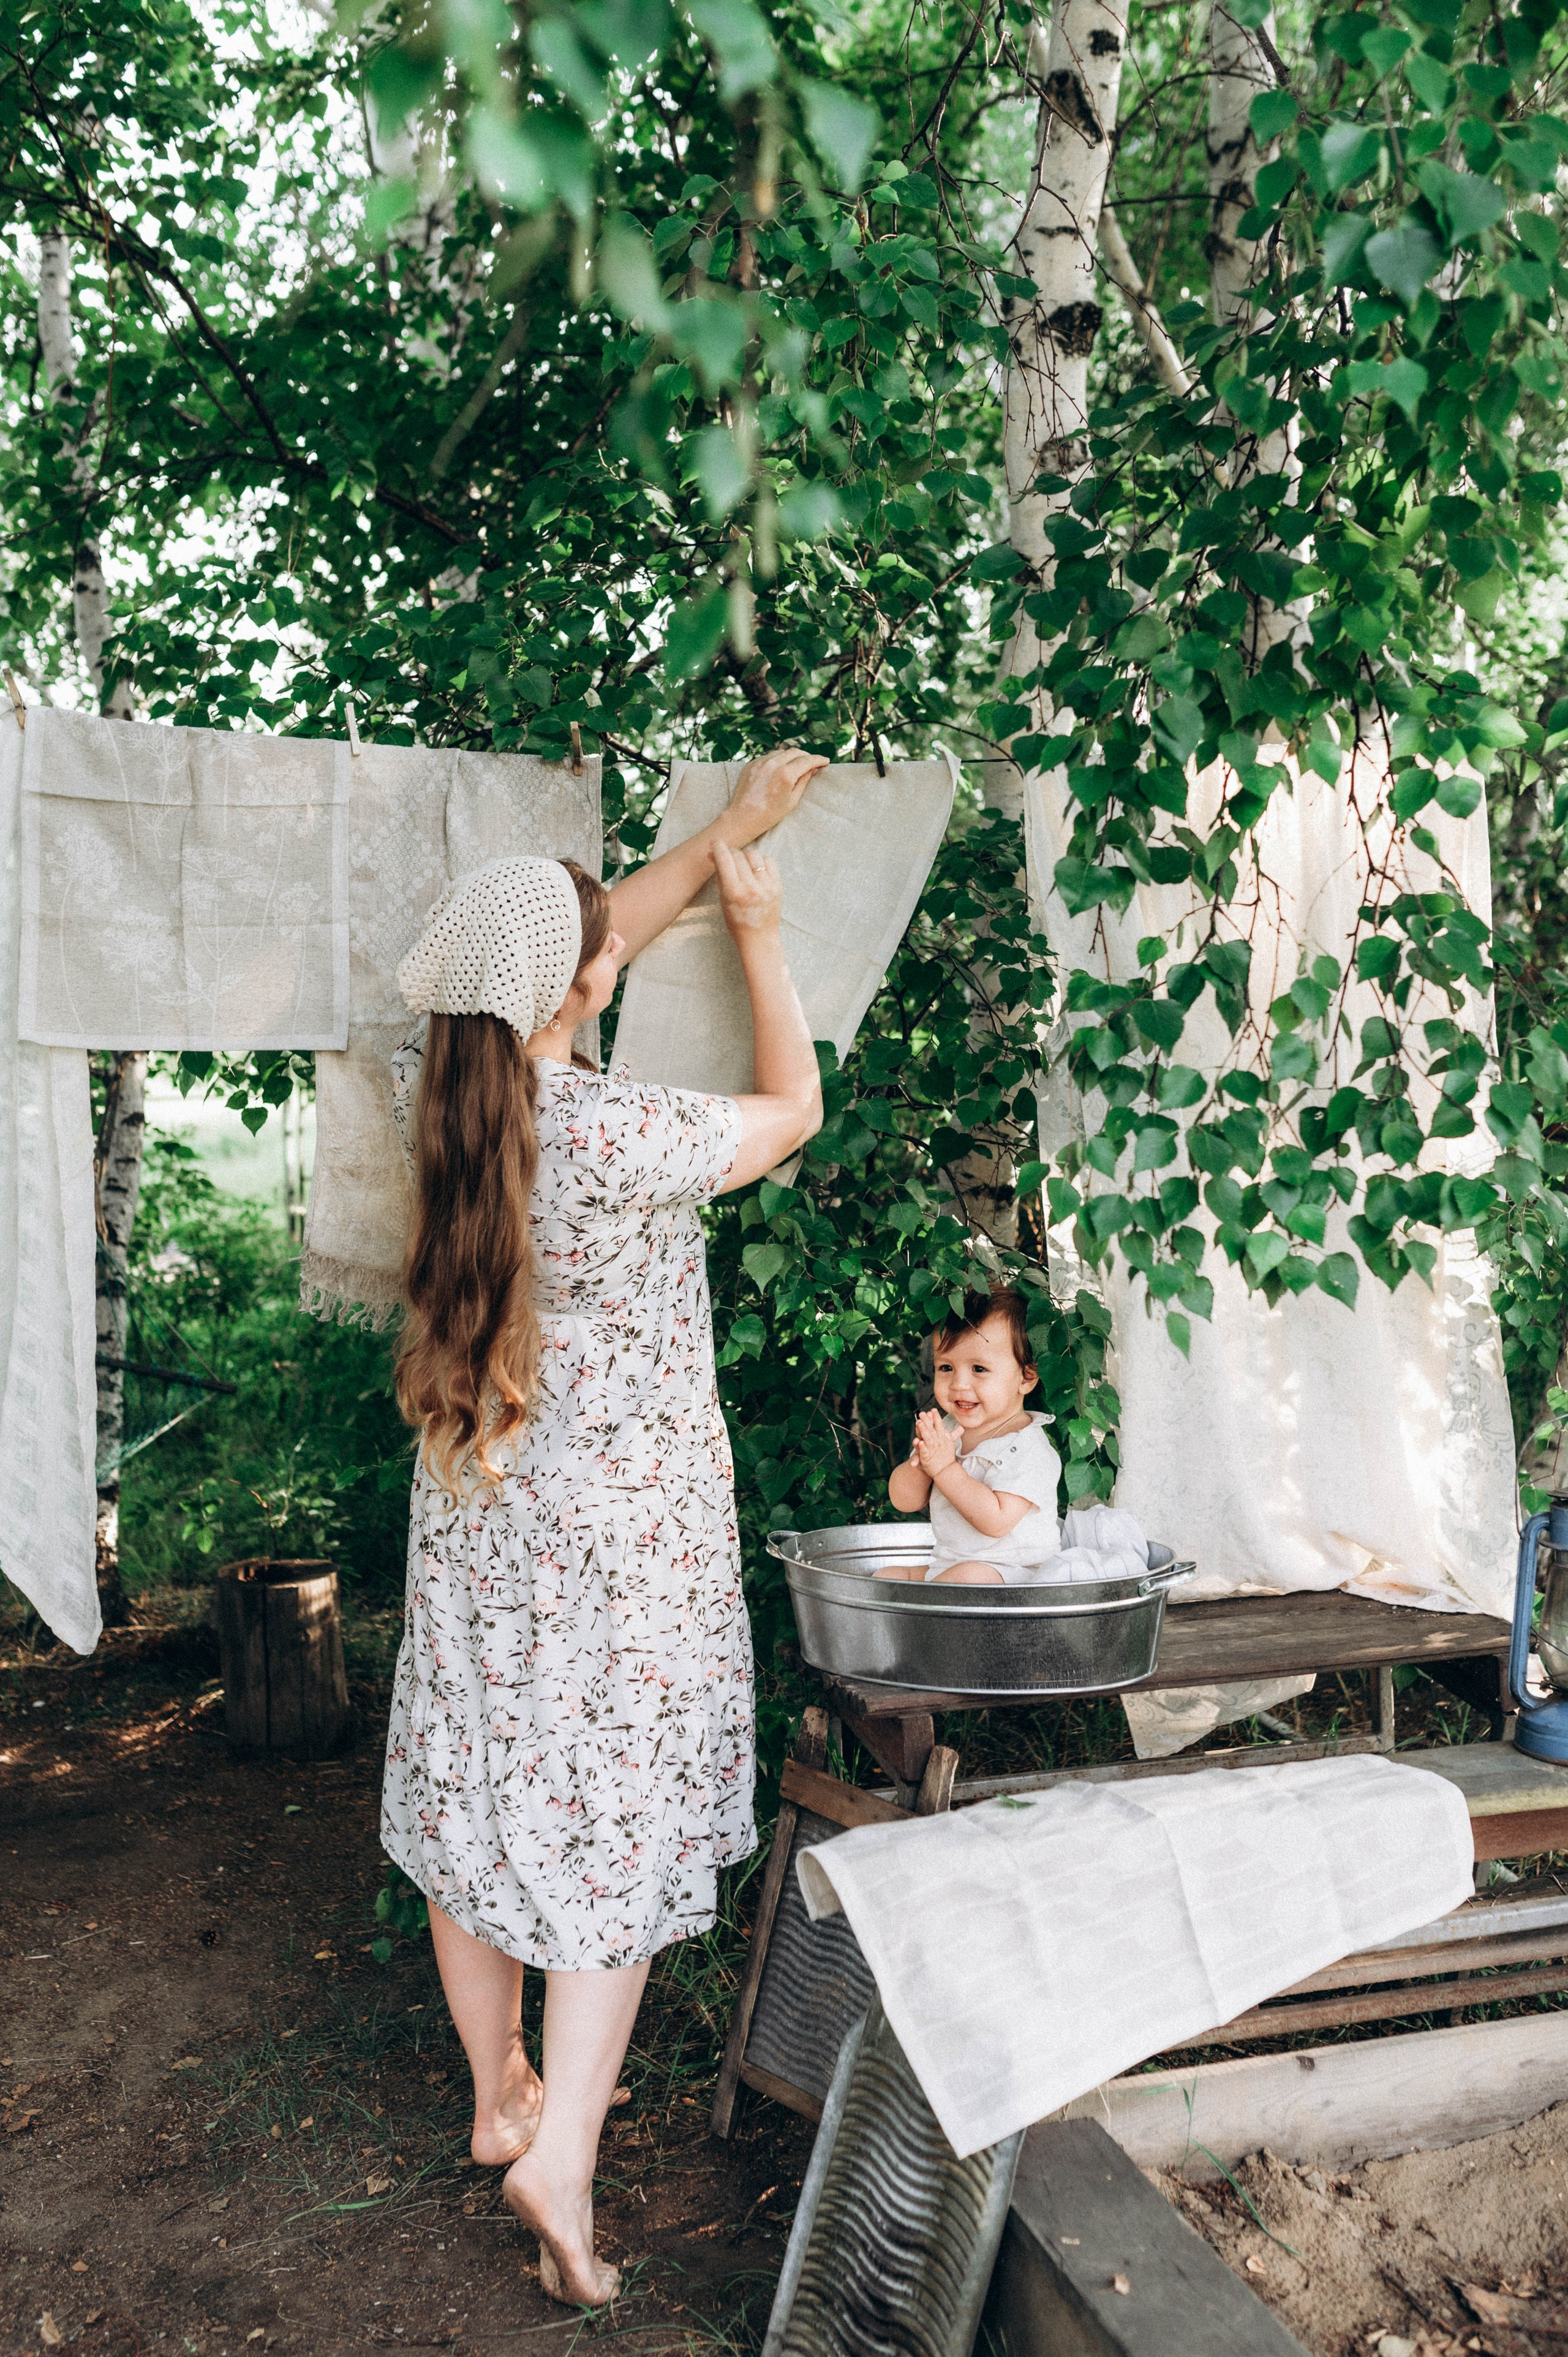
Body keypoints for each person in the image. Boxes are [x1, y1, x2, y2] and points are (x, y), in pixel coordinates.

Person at [380, 749, 826, 2307]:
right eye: (600, 946)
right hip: (619, 1541)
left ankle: (498, 2091)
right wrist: (756, 925)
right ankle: (559, 2153)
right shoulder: (618, 1136)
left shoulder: (443, 1090)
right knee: (606, 1829)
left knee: (477, 1792)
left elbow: (571, 946)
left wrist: (715, 833)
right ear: (578, 989)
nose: (619, 940)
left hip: (477, 1512)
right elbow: (793, 1106)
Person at [883, 1289, 1063, 1585]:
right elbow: (904, 1501)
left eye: (979, 1369)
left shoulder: (1029, 1448)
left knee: (967, 1577)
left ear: (1026, 1377)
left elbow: (995, 1522)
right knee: (886, 1577)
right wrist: (924, 1464)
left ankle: (927, 1607)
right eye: (946, 1367)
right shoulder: (947, 1431)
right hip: (949, 1568)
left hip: (1015, 1575)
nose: (959, 1384)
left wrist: (944, 1468)